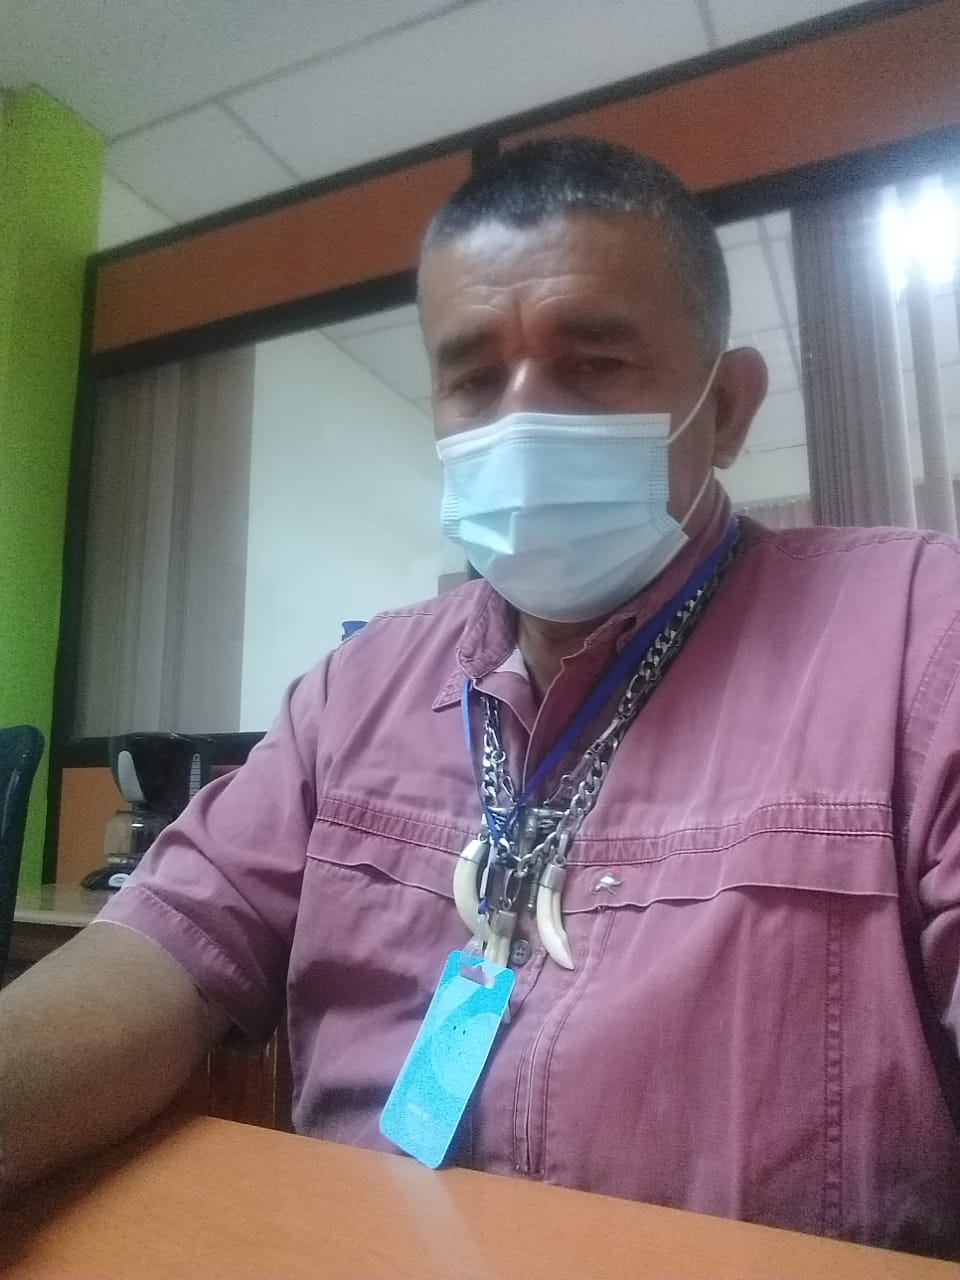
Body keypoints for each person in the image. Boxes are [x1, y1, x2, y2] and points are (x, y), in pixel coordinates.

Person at [1, 137, 959, 1258]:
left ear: (729, 408)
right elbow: (165, 943)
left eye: (593, 362)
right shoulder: (358, 688)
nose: (519, 421)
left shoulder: (916, 638)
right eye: (471, 379)